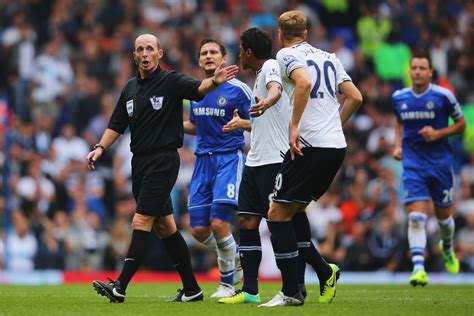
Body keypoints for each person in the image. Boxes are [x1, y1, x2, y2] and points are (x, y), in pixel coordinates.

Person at [86, 33, 239, 303]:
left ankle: (120, 286)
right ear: (134, 56)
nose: (144, 54)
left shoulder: (171, 81)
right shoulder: (130, 88)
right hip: (140, 163)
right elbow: (116, 125)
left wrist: (214, 81)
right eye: (139, 50)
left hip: (163, 161)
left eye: (149, 49)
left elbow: (198, 88)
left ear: (160, 54)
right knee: (165, 227)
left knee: (141, 220)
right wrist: (100, 147)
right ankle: (192, 289)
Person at [219, 27, 343, 305]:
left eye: (240, 49)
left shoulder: (273, 66)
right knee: (248, 220)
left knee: (286, 221)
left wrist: (270, 98)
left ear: (248, 52)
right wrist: (244, 124)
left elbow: (274, 90)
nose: (238, 53)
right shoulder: (259, 77)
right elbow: (268, 118)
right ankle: (250, 291)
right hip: (256, 159)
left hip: (275, 159)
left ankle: (317, 275)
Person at [260, 11, 362, 307]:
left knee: (276, 214)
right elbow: (355, 97)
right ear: (307, 32)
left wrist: (294, 127)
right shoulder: (331, 56)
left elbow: (302, 83)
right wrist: (335, 124)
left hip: (309, 145)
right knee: (294, 212)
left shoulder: (285, 55)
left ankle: (291, 291)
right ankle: (323, 272)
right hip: (334, 147)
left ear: (280, 33)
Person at [183, 38, 251, 299]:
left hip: (228, 159)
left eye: (213, 52)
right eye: (204, 53)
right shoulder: (196, 91)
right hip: (202, 162)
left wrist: (242, 124)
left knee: (219, 223)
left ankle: (227, 284)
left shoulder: (239, 90)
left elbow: (260, 123)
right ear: (199, 60)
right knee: (199, 230)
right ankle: (235, 255)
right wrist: (170, 125)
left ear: (224, 58)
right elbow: (194, 125)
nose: (208, 56)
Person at [392, 53, 465, 286]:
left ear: (430, 72)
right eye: (414, 67)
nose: (417, 72)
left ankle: (447, 247)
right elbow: (399, 121)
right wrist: (397, 145)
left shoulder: (444, 96)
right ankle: (418, 268)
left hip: (440, 164)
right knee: (415, 217)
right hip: (413, 164)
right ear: (410, 71)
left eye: (422, 68)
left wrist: (438, 134)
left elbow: (461, 124)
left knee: (444, 220)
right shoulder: (399, 97)